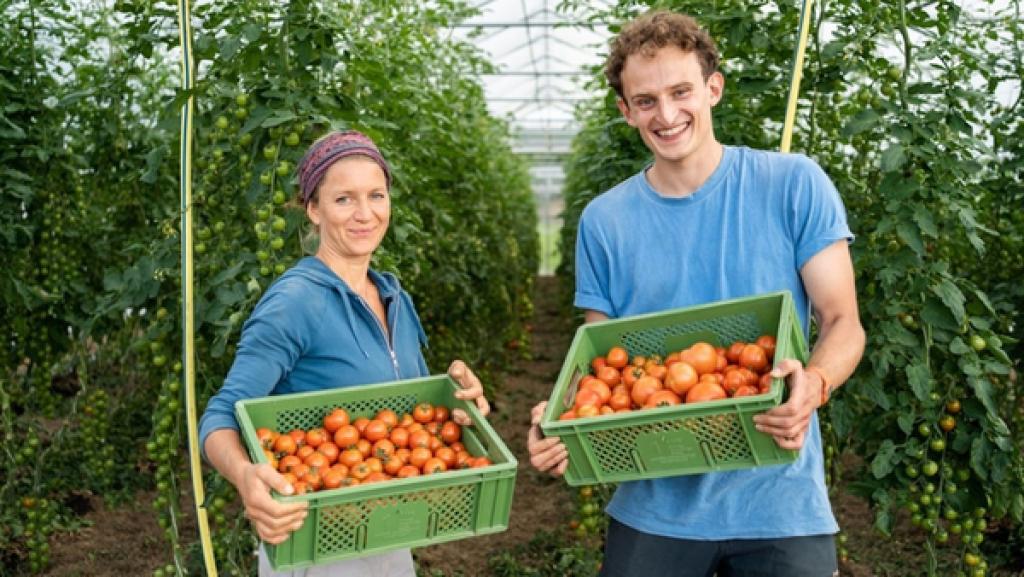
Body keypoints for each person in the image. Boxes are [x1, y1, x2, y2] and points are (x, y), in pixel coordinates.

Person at [526, 10, 865, 577]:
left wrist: (816, 385)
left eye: (681, 91)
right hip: (653, 504)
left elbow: (842, 322)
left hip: (779, 501)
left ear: (713, 88)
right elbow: (604, 367)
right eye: (646, 100)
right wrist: (560, 422)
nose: (666, 114)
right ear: (625, 110)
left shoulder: (793, 184)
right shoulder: (605, 221)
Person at [199, 130, 491, 577]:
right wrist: (245, 477)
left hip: (388, 531)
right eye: (344, 199)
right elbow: (219, 416)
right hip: (318, 545)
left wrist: (456, 403)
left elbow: (404, 415)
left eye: (376, 195)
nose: (365, 214)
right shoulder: (295, 302)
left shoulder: (393, 295)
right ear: (313, 209)